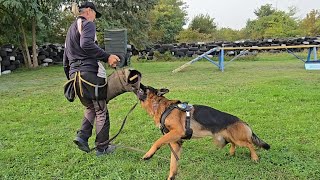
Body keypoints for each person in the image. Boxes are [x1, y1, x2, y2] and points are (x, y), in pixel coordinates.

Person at [63, 1, 120, 156]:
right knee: (101, 109)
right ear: (88, 11)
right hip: (89, 73)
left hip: (75, 76)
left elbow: (65, 60)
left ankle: (82, 136)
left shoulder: (70, 29)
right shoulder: (87, 24)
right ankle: (102, 148)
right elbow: (87, 44)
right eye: (95, 14)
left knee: (90, 107)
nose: (95, 18)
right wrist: (107, 57)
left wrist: (71, 78)